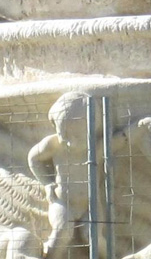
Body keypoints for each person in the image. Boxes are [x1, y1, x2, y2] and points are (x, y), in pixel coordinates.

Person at [27, 92, 91, 259]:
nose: (69, 142)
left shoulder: (96, 146)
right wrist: (47, 182)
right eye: (64, 135)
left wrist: (139, 128)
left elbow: (118, 142)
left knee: (94, 236)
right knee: (63, 229)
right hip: (61, 201)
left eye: (76, 136)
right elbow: (33, 159)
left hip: (90, 205)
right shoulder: (54, 145)